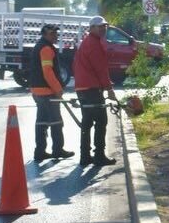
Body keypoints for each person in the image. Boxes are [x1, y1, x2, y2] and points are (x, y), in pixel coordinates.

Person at [73, 15, 118, 166]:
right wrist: (109, 89)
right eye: (100, 26)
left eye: (104, 26)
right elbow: (100, 69)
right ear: (91, 28)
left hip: (82, 88)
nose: (103, 29)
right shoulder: (94, 44)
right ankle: (99, 155)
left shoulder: (87, 42)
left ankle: (85, 156)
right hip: (92, 89)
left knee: (86, 122)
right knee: (101, 121)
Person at [29, 24, 74, 162]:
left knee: (41, 122)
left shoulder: (38, 46)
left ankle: (40, 152)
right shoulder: (46, 49)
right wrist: (58, 89)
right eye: (52, 33)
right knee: (56, 122)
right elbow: (47, 71)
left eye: (56, 33)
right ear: (45, 34)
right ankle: (58, 150)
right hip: (47, 92)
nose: (55, 36)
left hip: (37, 90)